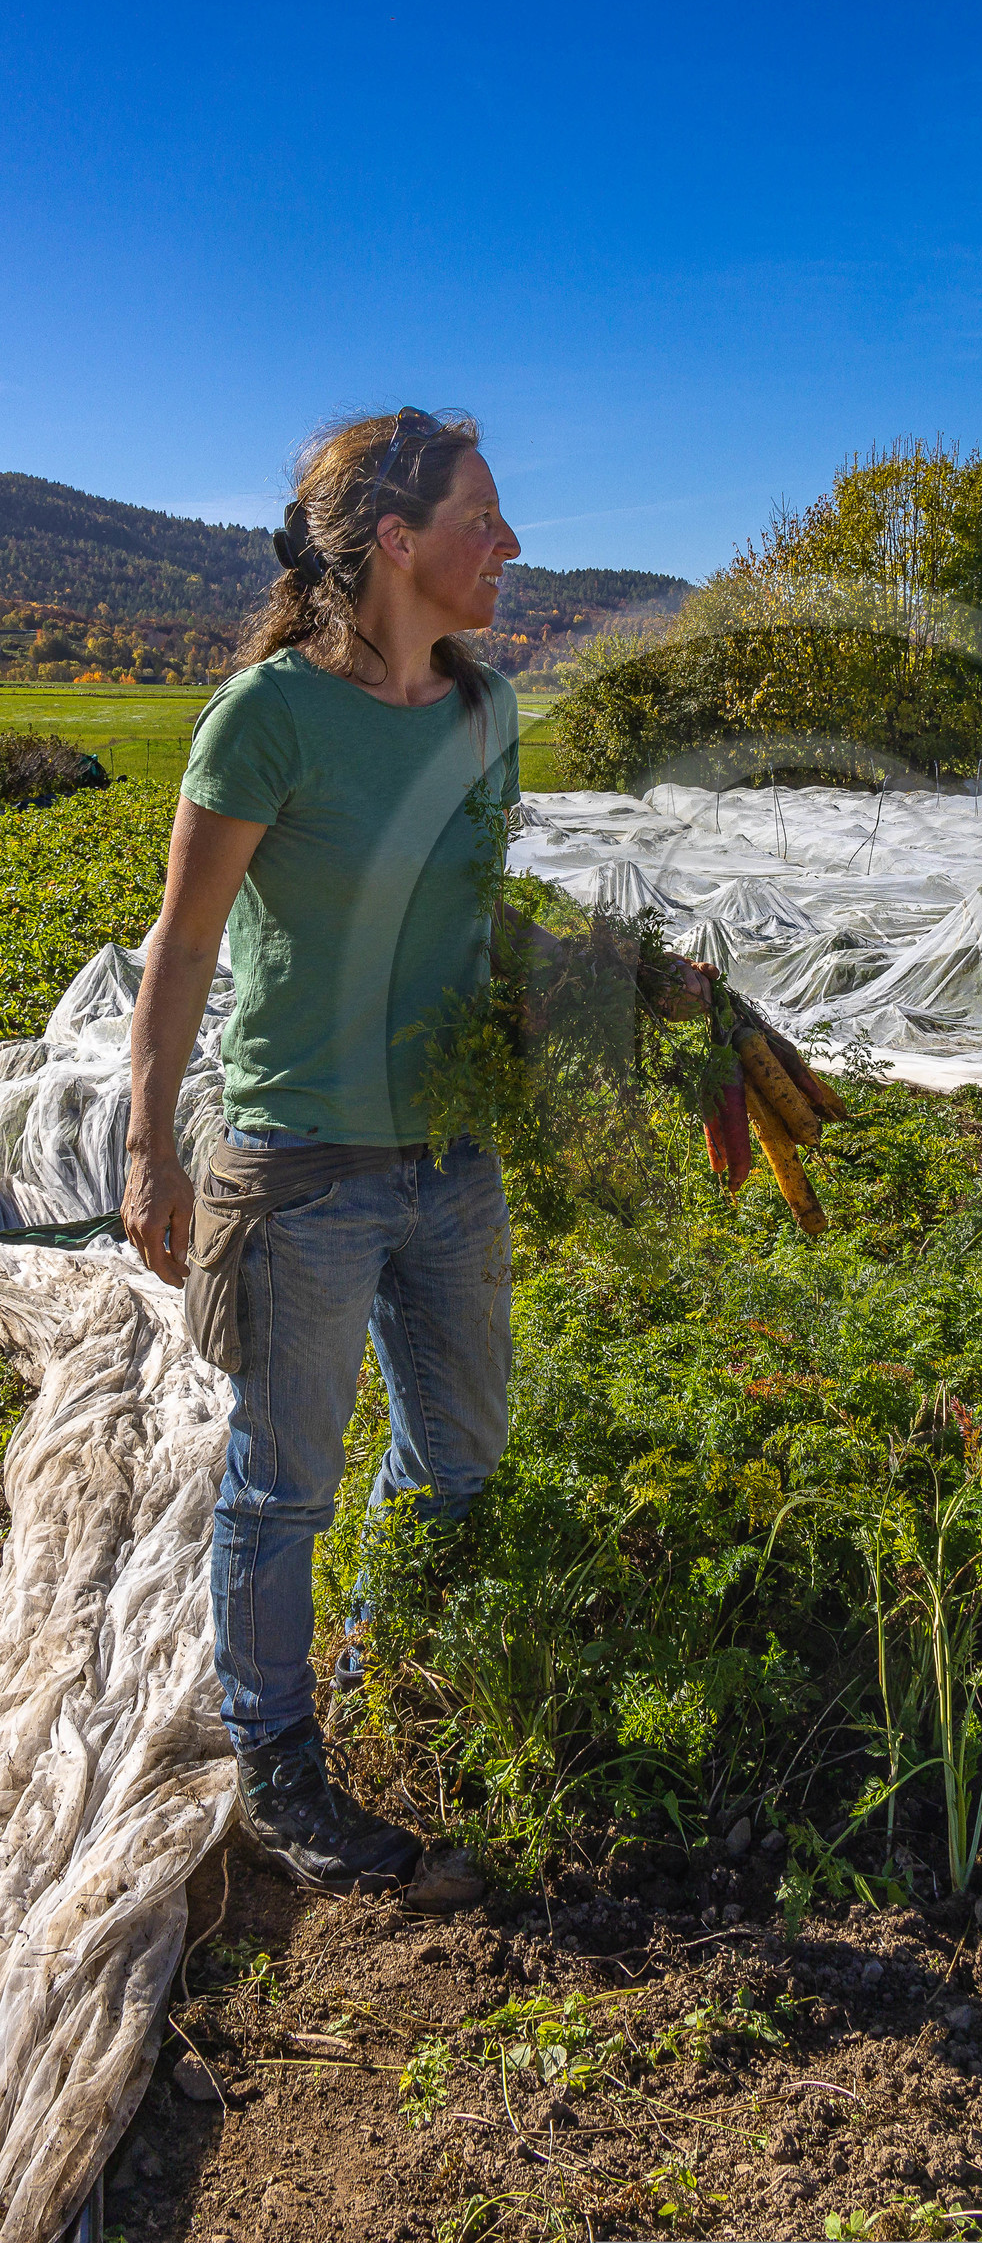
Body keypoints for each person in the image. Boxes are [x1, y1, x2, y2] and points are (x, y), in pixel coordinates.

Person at [122, 407, 535, 1893]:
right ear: (395, 543)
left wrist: (639, 988)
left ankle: (387, 1680)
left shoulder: (488, 714)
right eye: (482, 518)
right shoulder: (268, 718)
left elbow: (482, 919)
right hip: (300, 1163)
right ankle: (281, 1760)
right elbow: (178, 949)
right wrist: (151, 1146)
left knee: (458, 1456)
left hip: (450, 1163)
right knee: (283, 1477)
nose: (509, 545)